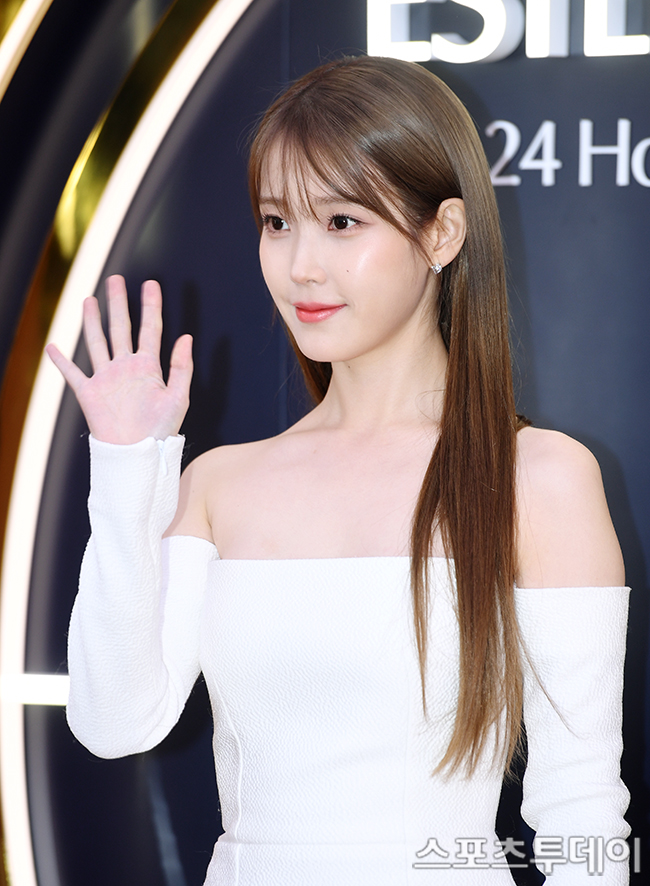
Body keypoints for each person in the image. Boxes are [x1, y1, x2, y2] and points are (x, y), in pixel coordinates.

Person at [46, 55, 630, 885]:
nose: (301, 266)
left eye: (343, 222)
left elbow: (582, 810)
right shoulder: (219, 485)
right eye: (277, 222)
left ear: (443, 234)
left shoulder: (539, 479)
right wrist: (127, 466)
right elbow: (114, 723)